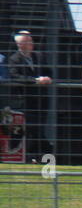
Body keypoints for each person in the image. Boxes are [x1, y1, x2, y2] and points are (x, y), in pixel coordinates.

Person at [6, 31, 54, 160]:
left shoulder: (39, 56)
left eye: (31, 41)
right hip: (26, 100)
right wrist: (36, 81)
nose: (31, 44)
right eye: (28, 41)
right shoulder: (14, 59)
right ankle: (46, 150)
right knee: (31, 128)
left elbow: (48, 71)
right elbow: (16, 76)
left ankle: (37, 155)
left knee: (38, 127)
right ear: (20, 44)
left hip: (41, 100)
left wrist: (48, 78)